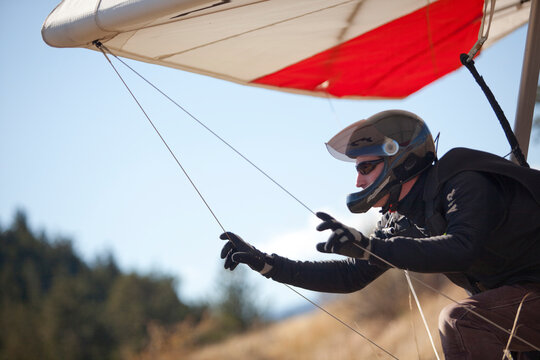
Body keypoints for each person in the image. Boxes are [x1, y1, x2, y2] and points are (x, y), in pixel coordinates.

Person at [219, 110, 540, 359]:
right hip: (522, 306)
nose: (358, 182)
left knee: (461, 321)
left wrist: (371, 246)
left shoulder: (463, 181)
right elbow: (350, 276)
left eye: (365, 168)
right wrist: (268, 265)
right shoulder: (404, 218)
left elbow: (462, 247)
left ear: (401, 162)